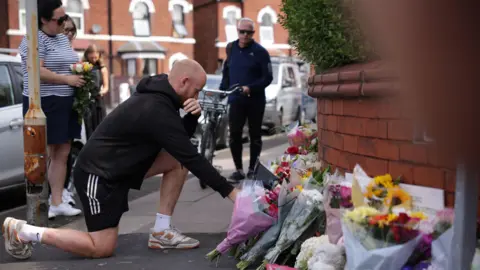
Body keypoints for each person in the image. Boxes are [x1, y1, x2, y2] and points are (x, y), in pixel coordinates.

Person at [3, 59, 239, 260]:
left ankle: (161, 231)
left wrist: (191, 117)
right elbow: (191, 155)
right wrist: (234, 195)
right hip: (98, 176)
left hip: (120, 170)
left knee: (177, 162)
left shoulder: (161, 96)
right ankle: (24, 231)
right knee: (101, 247)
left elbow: (179, 143)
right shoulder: (155, 108)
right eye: (196, 90)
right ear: (183, 82)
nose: (196, 96)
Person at [20, 0, 83, 218]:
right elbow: (36, 70)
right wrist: (67, 79)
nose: (65, 23)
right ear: (44, 20)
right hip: (45, 100)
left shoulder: (61, 39)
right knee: (44, 152)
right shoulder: (33, 39)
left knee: (63, 152)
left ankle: (57, 201)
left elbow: (69, 63)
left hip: (66, 101)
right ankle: (41, 203)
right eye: (60, 19)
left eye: (65, 17)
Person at [219, 17, 273, 181]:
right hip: (235, 99)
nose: (245, 35)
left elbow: (268, 77)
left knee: (255, 134)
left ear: (253, 33)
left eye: (248, 32)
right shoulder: (231, 48)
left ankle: (252, 169)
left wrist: (251, 87)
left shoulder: (260, 52)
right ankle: (238, 170)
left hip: (255, 100)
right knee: (234, 134)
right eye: (242, 32)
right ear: (237, 31)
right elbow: (227, 72)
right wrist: (222, 89)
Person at [83, 44, 109, 138]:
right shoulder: (83, 68)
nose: (94, 59)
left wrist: (100, 92)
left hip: (99, 101)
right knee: (89, 127)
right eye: (91, 57)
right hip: (86, 101)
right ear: (87, 55)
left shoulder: (103, 69)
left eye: (95, 57)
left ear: (99, 56)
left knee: (100, 127)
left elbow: (106, 87)